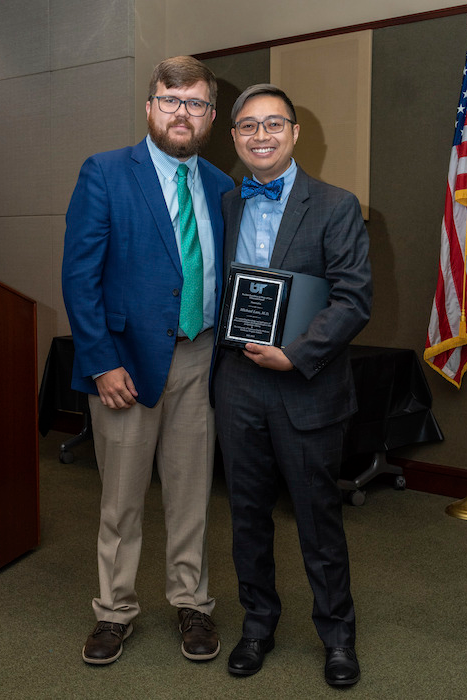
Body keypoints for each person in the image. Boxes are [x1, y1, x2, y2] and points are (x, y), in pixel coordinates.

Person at [62, 55, 233, 666]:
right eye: (170, 100)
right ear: (150, 106)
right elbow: (80, 277)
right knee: (121, 502)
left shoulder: (219, 184)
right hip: (125, 368)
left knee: (191, 496)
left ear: (210, 115)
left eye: (195, 103)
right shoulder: (106, 173)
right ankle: (113, 612)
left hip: (200, 358)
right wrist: (101, 360)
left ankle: (192, 602)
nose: (181, 113)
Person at [213, 84, 372, 686]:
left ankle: (337, 636)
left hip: (308, 385)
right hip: (238, 385)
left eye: (273, 124)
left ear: (295, 132)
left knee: (317, 519)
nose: (261, 136)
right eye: (248, 127)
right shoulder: (228, 204)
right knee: (247, 516)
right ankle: (258, 625)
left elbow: (355, 300)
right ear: (234, 138)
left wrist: (296, 354)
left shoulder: (335, 204)